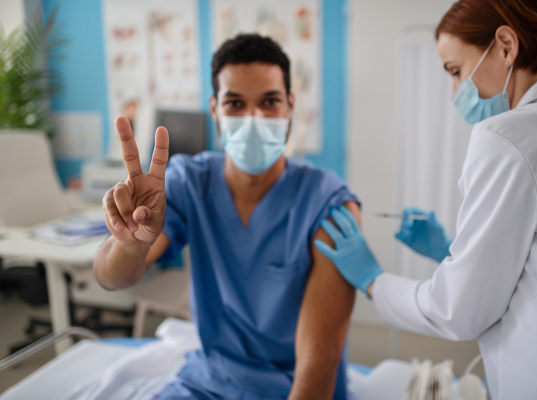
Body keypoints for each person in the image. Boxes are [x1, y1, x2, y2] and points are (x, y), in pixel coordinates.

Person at [315, 0, 537, 399]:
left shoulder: (507, 136)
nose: (455, 92)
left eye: (456, 71)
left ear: (505, 46)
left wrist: (373, 280)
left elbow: (458, 312)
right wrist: (449, 250)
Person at [94, 34, 360, 400]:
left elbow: (319, 364)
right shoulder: (189, 183)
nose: (254, 119)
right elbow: (111, 279)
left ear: (290, 107)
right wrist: (126, 243)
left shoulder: (329, 204)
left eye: (270, 101)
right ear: (215, 109)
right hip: (209, 381)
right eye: (235, 103)